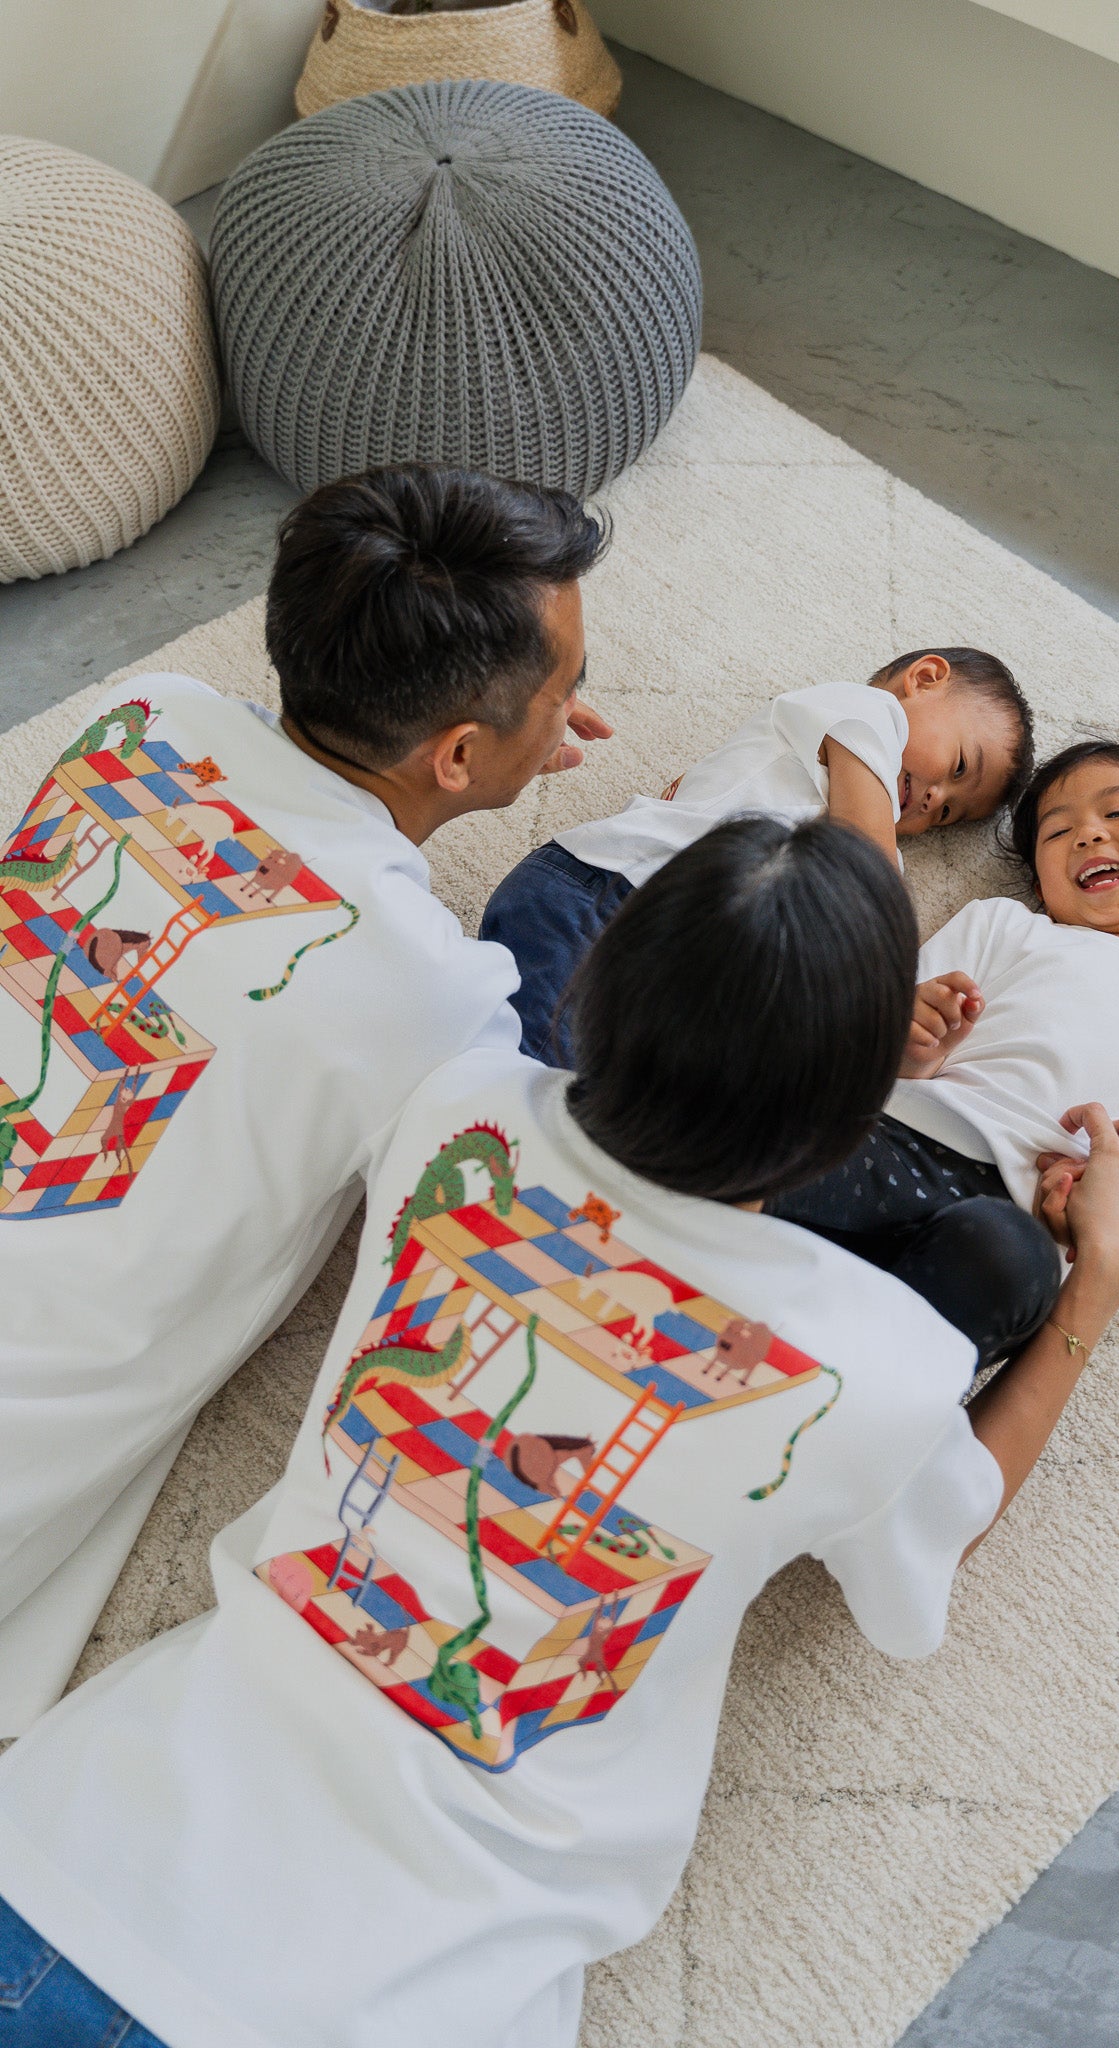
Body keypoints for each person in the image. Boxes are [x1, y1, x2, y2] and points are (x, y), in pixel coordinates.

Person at [0, 816, 1119, 2048]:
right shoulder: (878, 1366)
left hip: (64, 1840)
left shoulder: (457, 1107)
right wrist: (1097, 1288)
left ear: (602, 981)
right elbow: (946, 1530)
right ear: (854, 1119)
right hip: (384, 1995)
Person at [0, 463, 612, 1736]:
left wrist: (506, 730)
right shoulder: (437, 998)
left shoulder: (142, 714)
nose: (572, 709)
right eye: (566, 689)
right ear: (457, 752)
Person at [770, 741, 1119, 1348]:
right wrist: (911, 1049)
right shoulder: (1005, 926)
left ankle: (845, 1373)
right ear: (1042, 884)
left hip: (1023, 1221)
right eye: (1058, 832)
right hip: (899, 1138)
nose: (1087, 835)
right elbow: (877, 1040)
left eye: (1118, 812)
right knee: (769, 1141)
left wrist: (1113, 1220)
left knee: (1004, 1267)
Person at [481, 645, 1033, 1058]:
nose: (935, 799)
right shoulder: (864, 712)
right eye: (960, 766)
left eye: (948, 814)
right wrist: (892, 992)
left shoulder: (847, 816)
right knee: (525, 1088)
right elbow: (868, 872)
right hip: (609, 899)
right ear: (925, 679)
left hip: (675, 958)